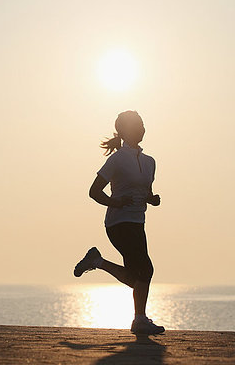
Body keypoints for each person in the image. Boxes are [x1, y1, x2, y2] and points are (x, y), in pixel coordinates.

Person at [73, 110, 165, 335]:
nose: (142, 128)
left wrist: (152, 200)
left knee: (137, 276)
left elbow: (145, 193)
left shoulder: (150, 162)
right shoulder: (117, 159)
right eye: (137, 125)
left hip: (137, 222)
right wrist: (115, 202)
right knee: (146, 269)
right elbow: (94, 191)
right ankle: (139, 320)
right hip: (118, 222)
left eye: (143, 124)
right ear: (123, 131)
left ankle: (97, 261)